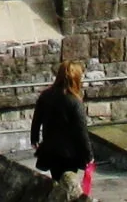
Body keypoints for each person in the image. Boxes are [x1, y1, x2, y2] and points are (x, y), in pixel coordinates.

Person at [31, 60, 94, 193]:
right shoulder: (74, 102)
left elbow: (37, 120)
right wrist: (89, 156)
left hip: (50, 149)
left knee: (57, 180)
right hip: (69, 154)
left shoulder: (46, 96)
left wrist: (34, 138)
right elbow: (81, 132)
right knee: (68, 186)